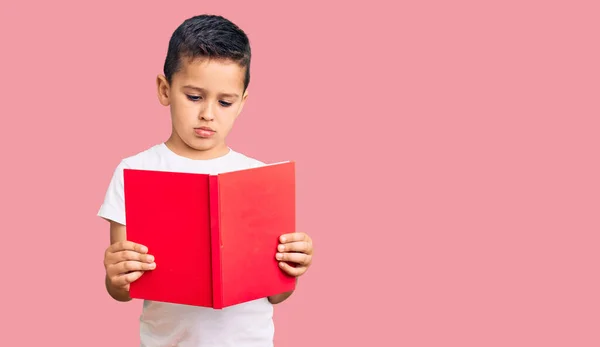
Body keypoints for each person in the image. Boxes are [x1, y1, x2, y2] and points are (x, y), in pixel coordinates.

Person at [98, 14, 314, 347]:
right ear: (164, 89)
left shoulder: (259, 179)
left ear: (242, 103)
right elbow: (124, 288)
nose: (208, 114)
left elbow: (276, 297)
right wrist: (116, 277)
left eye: (225, 102)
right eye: (195, 97)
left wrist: (291, 268)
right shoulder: (134, 171)